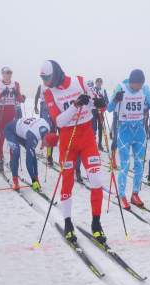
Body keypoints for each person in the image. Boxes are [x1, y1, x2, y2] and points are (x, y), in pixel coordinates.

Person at [41, 60, 107, 243]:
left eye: (47, 78)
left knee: (96, 179)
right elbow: (59, 121)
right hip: (67, 141)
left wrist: (99, 103)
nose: (45, 82)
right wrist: (75, 105)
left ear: (56, 74)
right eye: (43, 78)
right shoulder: (48, 93)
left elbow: (97, 104)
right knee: (67, 182)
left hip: (86, 137)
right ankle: (68, 223)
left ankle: (96, 223)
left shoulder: (79, 82)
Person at [108, 70, 150, 209]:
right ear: (132, 82)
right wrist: (115, 99)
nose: (139, 87)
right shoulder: (121, 87)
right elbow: (109, 108)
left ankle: (135, 194)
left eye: (141, 85)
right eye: (137, 85)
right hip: (124, 130)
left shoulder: (145, 88)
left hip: (139, 130)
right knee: (124, 165)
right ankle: (121, 195)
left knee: (139, 164)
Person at [4, 117, 58, 192]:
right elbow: (28, 163)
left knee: (32, 153)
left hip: (24, 131)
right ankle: (15, 181)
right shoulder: (34, 136)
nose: (46, 147)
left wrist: (36, 178)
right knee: (16, 152)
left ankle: (36, 178)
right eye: (47, 145)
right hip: (10, 130)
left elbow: (33, 155)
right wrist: (34, 181)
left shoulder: (47, 127)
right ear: (45, 139)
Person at [0, 67, 25, 172]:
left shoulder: (16, 84)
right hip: (1, 112)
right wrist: (2, 94)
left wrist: (16, 94)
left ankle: (12, 161)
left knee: (12, 139)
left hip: (12, 113)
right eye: (7, 73)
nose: (9, 74)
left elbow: (20, 100)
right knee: (0, 138)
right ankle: (0, 160)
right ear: (2, 74)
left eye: (10, 72)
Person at [35, 84, 56, 166]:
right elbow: (37, 96)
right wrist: (35, 106)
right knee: (45, 130)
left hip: (53, 106)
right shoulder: (41, 86)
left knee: (52, 133)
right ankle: (45, 146)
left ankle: (49, 156)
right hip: (44, 107)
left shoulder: (54, 85)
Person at [92, 78, 109, 151]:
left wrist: (104, 107)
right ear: (95, 83)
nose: (99, 83)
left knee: (100, 128)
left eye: (100, 82)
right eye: (97, 82)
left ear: (101, 83)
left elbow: (107, 100)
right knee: (94, 127)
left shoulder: (103, 90)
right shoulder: (92, 90)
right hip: (94, 111)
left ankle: (100, 144)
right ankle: (93, 144)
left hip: (101, 111)